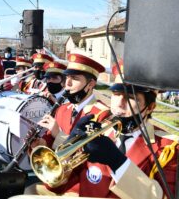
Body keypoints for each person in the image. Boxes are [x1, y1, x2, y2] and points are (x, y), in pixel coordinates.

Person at [25, 61, 178, 199]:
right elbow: (59, 186)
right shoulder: (98, 129)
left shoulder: (168, 147)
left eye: (130, 97)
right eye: (116, 94)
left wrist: (118, 162)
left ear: (150, 107)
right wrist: (70, 146)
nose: (119, 104)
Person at [33, 53, 110, 151]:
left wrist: (58, 134)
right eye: (67, 77)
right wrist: (39, 144)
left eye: (74, 78)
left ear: (91, 84)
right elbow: (50, 142)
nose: (67, 84)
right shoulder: (62, 109)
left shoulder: (102, 114)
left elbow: (94, 157)